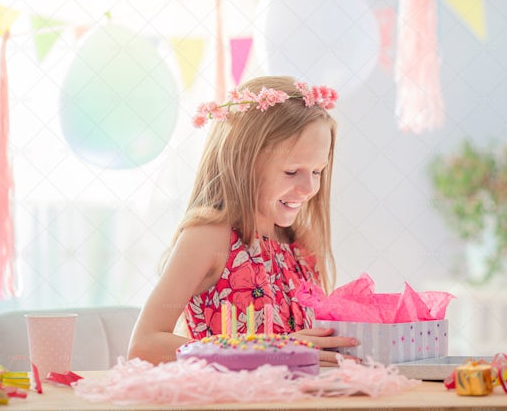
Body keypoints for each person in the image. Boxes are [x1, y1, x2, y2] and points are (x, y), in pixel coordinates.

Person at [128, 75, 358, 366]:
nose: (309, 188)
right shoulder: (210, 237)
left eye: (317, 171)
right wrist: (269, 350)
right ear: (242, 163)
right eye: (291, 172)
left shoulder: (301, 244)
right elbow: (144, 344)